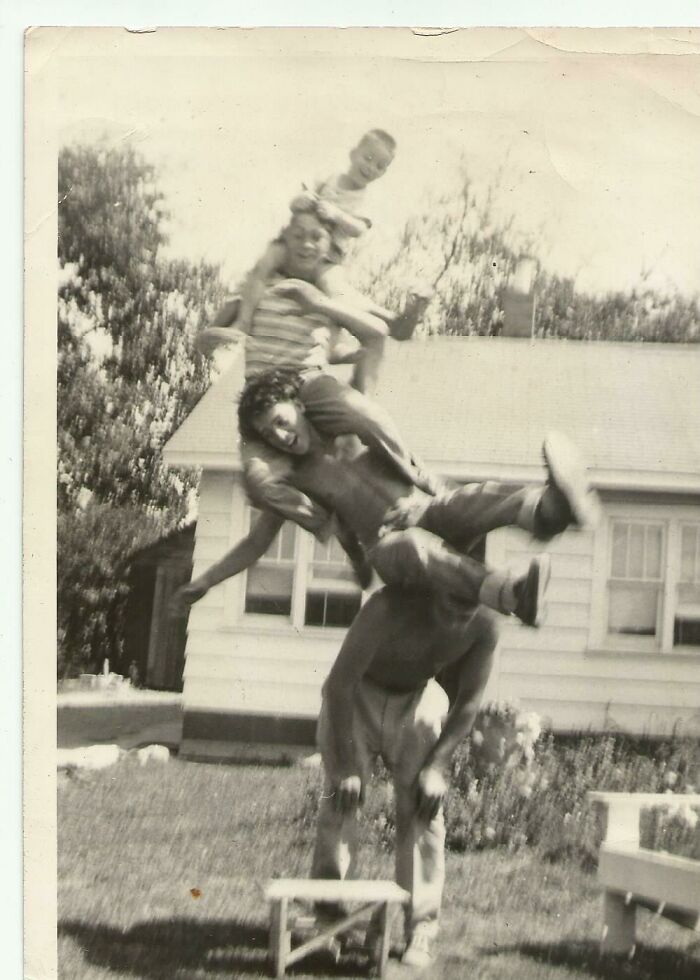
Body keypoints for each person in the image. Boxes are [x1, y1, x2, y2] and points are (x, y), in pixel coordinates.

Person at [209, 365, 599, 625]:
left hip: (421, 507)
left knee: (471, 499)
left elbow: (376, 403)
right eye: (267, 433)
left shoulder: (344, 427)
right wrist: (362, 569)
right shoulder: (297, 477)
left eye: (280, 422)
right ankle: (514, 594)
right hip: (387, 546)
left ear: (298, 406)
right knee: (412, 545)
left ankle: (552, 509)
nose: (279, 436)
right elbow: (292, 536)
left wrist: (428, 495)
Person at [196, 203, 437, 542]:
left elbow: (394, 329)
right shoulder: (258, 284)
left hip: (307, 380)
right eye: (298, 236)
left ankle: (413, 473)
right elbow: (210, 335)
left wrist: (415, 308)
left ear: (329, 247)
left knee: (365, 414)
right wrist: (212, 339)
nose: (306, 245)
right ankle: (330, 526)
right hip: (261, 397)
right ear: (285, 239)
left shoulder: (334, 292)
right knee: (259, 482)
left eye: (316, 237)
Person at [311, 585, 499, 971]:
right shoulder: (389, 603)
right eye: (449, 599)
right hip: (356, 694)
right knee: (340, 800)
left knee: (425, 808)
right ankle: (330, 921)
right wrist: (346, 765)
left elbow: (469, 701)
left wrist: (437, 768)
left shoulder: (486, 626)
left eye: (467, 604)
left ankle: (421, 928)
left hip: (417, 697)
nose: (455, 616)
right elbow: (340, 683)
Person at [215, 128, 427, 344]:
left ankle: (390, 320)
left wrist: (337, 215)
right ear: (353, 154)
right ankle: (244, 321)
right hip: (294, 242)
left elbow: (359, 229)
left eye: (380, 166)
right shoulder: (330, 177)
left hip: (328, 254)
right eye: (368, 158)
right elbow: (298, 199)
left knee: (338, 291)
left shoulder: (364, 199)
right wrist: (302, 200)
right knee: (262, 266)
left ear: (384, 173)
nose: (371, 167)